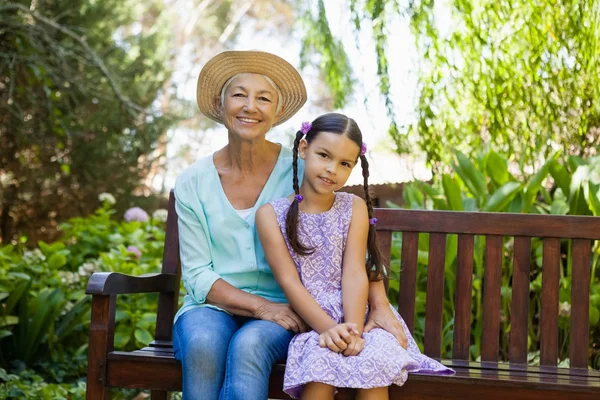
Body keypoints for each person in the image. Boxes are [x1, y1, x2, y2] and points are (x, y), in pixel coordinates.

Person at [172, 51, 410, 400]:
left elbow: (346, 243)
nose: (250, 106)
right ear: (220, 104)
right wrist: (261, 307)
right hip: (212, 307)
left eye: (263, 98)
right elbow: (196, 275)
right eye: (239, 94)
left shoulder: (303, 169)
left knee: (250, 344)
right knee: (204, 343)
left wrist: (380, 303)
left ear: (277, 112)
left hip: (292, 307)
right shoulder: (193, 181)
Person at [256, 113, 453, 400]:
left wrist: (354, 332)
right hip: (314, 320)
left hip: (359, 317)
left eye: (344, 163)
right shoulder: (271, 216)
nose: (331, 169)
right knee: (320, 367)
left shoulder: (354, 207)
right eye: (324, 155)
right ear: (303, 149)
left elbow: (354, 272)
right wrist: (331, 330)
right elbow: (290, 283)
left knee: (373, 368)